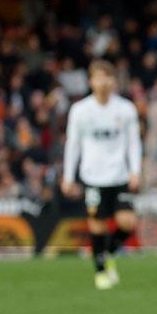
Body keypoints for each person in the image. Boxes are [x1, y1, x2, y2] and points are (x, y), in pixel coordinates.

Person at [61, 59, 143, 290]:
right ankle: (100, 272)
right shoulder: (80, 110)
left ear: (114, 81)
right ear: (91, 81)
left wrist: (135, 171)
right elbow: (73, 145)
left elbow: (133, 143)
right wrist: (68, 176)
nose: (103, 82)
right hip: (93, 177)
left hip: (120, 176)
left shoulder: (125, 108)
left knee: (127, 222)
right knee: (97, 224)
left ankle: (107, 255)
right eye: (98, 77)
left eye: (108, 77)